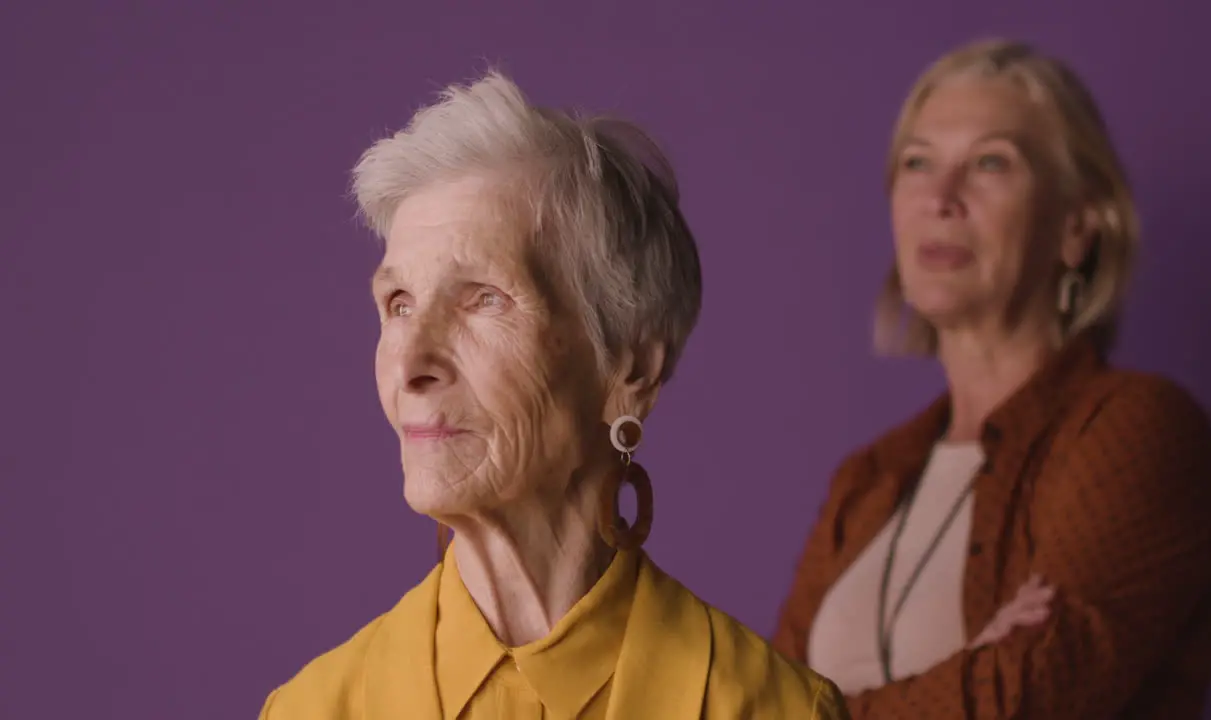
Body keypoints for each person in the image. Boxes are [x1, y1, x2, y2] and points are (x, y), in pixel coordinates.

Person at [258, 70, 848, 720]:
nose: (411, 362)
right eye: (398, 304)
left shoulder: (775, 709)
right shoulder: (312, 709)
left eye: (482, 299)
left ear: (629, 369)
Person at [773, 39, 1211, 719]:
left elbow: (1021, 701)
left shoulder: (1140, 429)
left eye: (991, 163)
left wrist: (822, 711)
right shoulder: (866, 480)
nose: (941, 197)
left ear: (1079, 226)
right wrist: (970, 672)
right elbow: (752, 703)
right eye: (917, 163)